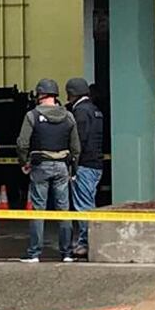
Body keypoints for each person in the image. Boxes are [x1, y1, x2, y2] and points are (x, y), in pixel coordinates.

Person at [17, 78, 81, 263]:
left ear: (40, 95)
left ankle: (34, 253)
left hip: (40, 165)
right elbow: (76, 146)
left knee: (39, 209)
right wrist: (73, 167)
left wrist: (24, 162)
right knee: (63, 210)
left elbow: (22, 143)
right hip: (62, 166)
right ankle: (67, 253)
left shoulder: (32, 115)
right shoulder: (68, 116)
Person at [65, 77, 104, 259]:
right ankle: (89, 240)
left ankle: (85, 243)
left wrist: (72, 165)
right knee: (89, 202)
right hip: (96, 163)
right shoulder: (95, 110)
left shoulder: (80, 111)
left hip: (85, 165)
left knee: (83, 206)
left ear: (71, 94)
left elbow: (78, 141)